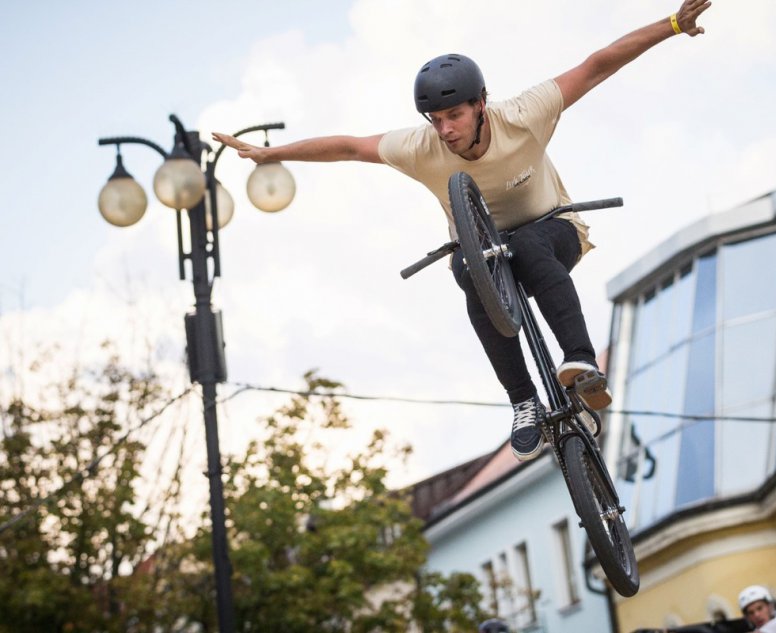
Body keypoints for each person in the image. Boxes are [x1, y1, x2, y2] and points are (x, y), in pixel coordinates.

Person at [213, 0, 711, 462]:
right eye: (436, 120)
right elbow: (349, 146)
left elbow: (598, 65)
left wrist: (672, 25)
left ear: (481, 104)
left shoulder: (525, 114)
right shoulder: (419, 147)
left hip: (554, 230)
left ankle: (580, 363)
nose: (446, 130)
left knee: (529, 243)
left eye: (454, 115)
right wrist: (270, 154)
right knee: (468, 268)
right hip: (486, 254)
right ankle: (524, 402)